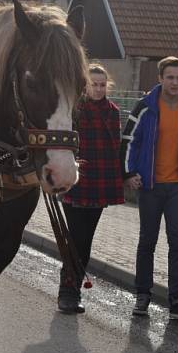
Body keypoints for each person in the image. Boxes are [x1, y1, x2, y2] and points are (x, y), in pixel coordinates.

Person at [121, 56, 178, 320]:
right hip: (150, 187)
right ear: (160, 78)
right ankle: (143, 295)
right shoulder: (145, 108)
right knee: (148, 241)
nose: (175, 82)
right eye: (170, 77)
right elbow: (128, 141)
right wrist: (129, 173)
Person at [57, 64, 124, 314]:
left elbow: (116, 149)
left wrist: (124, 176)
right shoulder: (74, 110)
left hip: (100, 183)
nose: (98, 89)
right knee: (75, 239)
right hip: (75, 182)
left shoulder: (113, 112)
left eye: (102, 84)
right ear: (85, 86)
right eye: (93, 84)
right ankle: (67, 291)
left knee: (86, 241)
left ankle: (71, 289)